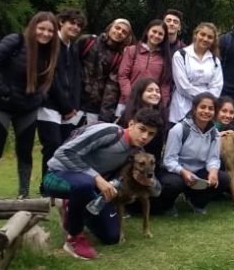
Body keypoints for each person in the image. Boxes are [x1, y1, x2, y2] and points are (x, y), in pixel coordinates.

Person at [42, 106, 163, 259]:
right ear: (131, 124)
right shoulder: (109, 132)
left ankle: (74, 207)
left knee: (111, 236)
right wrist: (96, 178)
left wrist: (149, 182)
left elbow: (157, 191)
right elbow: (63, 152)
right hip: (57, 175)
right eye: (142, 129)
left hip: (89, 186)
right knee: (84, 184)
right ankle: (73, 239)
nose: (145, 136)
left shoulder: (137, 153)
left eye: (151, 134)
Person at [0, 12, 60, 200]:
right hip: (0, 106)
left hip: (28, 108)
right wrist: (3, 91)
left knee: (25, 152)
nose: (45, 34)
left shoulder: (51, 53)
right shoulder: (15, 41)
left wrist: (40, 97)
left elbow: (49, 81)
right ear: (33, 27)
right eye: (41, 28)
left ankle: (23, 195)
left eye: (50, 30)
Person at [156, 93, 230, 215]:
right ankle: (167, 205)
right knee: (173, 184)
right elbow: (169, 160)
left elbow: (213, 158)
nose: (206, 111)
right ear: (194, 109)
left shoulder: (214, 133)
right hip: (176, 173)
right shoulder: (179, 129)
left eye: (210, 108)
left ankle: (197, 202)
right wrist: (183, 172)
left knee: (223, 179)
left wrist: (213, 171)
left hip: (198, 173)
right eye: (202, 107)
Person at [37, 9, 87, 186]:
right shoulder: (51, 45)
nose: (75, 27)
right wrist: (65, 106)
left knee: (63, 148)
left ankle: (57, 185)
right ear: (61, 22)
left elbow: (74, 78)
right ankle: (46, 185)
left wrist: (73, 106)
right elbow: (51, 78)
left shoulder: (72, 48)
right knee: (51, 145)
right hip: (49, 105)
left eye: (78, 25)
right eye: (72, 23)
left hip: (69, 109)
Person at [80, 18, 134, 123]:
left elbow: (112, 88)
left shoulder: (120, 57)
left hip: (94, 107)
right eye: (117, 28)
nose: (119, 32)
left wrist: (105, 118)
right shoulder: (88, 41)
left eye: (124, 32)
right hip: (73, 103)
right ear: (110, 28)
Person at [170, 22, 223, 123]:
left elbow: (217, 87)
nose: (205, 39)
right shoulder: (180, 55)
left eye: (210, 37)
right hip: (181, 109)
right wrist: (205, 97)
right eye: (202, 34)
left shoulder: (215, 61)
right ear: (196, 34)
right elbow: (183, 86)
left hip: (204, 111)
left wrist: (205, 103)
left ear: (213, 40)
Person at [117, 19, 172, 113]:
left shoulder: (165, 58)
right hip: (128, 102)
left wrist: (162, 104)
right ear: (147, 31)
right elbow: (123, 76)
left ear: (164, 37)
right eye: (154, 31)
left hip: (151, 107)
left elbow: (165, 84)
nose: (156, 35)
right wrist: (131, 97)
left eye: (160, 34)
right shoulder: (132, 51)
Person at [117, 77, 166, 158]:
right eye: (150, 90)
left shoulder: (161, 116)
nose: (155, 94)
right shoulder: (128, 114)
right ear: (140, 93)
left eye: (158, 91)